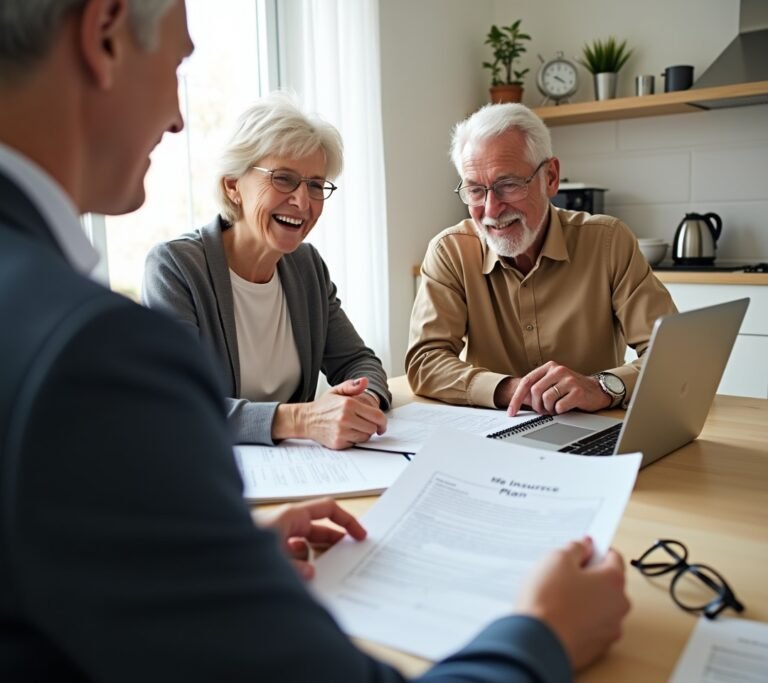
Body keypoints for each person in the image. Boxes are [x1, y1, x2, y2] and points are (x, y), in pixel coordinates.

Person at [0, 1, 630, 680]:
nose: (180, 115)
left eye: (316, 184)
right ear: (103, 33)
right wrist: (542, 636)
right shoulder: (96, 338)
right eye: (178, 63)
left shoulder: (300, 268)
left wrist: (356, 400)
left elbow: (71, 570)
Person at [142, 94, 390, 449]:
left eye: (316, 185)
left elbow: (358, 361)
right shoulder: (176, 267)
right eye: (284, 179)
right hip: (211, 470)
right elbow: (175, 402)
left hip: (301, 471)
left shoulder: (307, 267)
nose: (303, 202)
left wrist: (362, 404)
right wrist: (305, 419)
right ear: (233, 186)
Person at [406, 103, 677, 416]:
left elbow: (671, 355)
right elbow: (425, 361)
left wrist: (601, 387)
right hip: (496, 431)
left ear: (550, 177)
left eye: (508, 185)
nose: (492, 210)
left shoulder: (607, 242)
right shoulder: (450, 252)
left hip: (595, 429)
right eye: (476, 191)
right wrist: (513, 391)